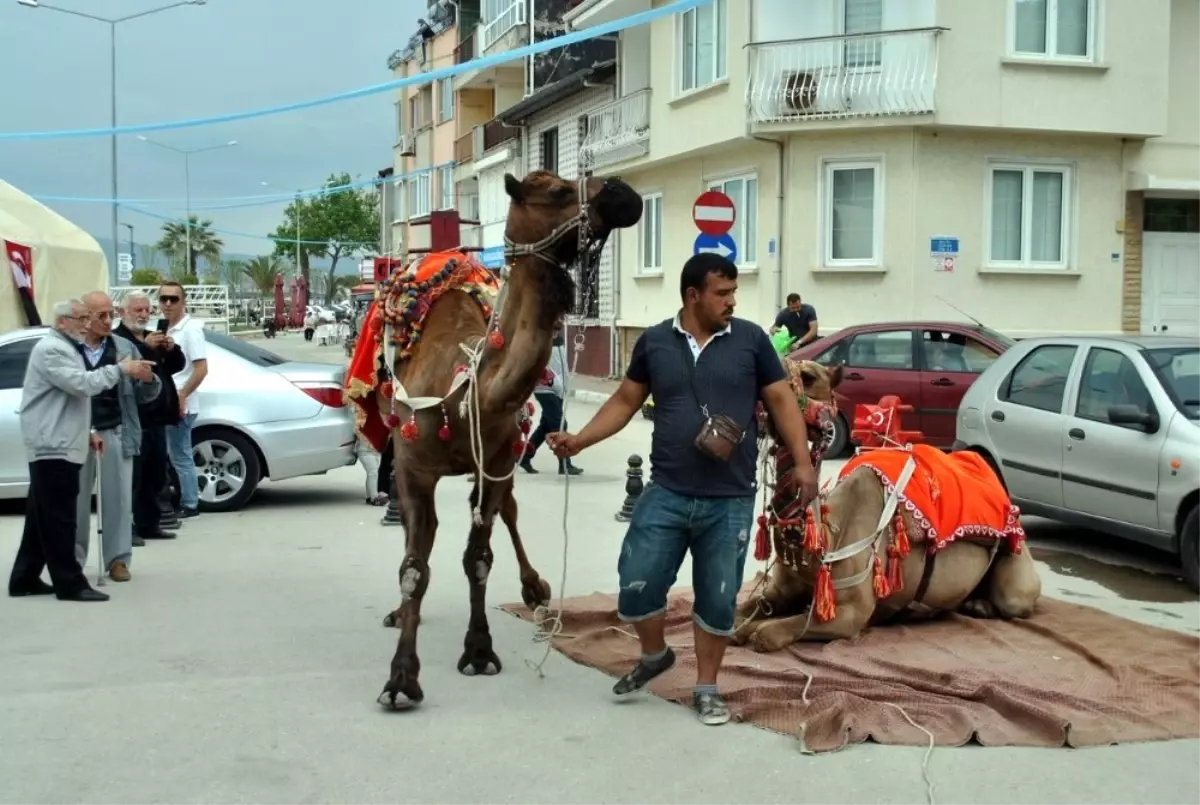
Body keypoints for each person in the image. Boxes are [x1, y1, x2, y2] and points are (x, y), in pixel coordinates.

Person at [546, 253, 819, 726]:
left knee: (718, 596)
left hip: (730, 498)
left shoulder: (752, 340)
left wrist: (803, 463)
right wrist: (579, 440)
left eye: (734, 292)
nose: (732, 301)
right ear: (693, 295)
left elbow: (782, 402)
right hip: (667, 491)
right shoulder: (655, 342)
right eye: (722, 293)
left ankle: (708, 687)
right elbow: (625, 401)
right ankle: (655, 655)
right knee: (636, 584)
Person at [8, 298, 154, 602]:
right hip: (53, 444)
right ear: (62, 322)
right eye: (81, 317)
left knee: (40, 516)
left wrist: (87, 431)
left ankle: (24, 577)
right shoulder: (53, 350)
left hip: (60, 440)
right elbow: (82, 385)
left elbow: (71, 398)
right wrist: (120, 369)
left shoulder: (64, 348)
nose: (87, 323)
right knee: (61, 517)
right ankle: (70, 583)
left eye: (91, 316)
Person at [74, 291, 163, 582]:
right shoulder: (71, 349)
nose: (107, 320)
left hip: (115, 429)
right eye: (100, 315)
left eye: (109, 314)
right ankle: (73, 561)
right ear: (84, 318)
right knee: (75, 501)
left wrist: (149, 381)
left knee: (119, 500)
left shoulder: (123, 346)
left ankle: (118, 560)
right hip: (76, 433)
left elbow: (142, 394)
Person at [114, 291, 185, 541]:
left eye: (146, 310)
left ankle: (150, 523)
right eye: (138, 310)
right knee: (133, 477)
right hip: (134, 420)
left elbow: (174, 367)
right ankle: (128, 528)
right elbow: (129, 373)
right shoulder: (118, 340)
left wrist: (171, 349)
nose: (144, 315)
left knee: (155, 476)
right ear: (123, 313)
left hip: (157, 419)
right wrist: (145, 348)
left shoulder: (150, 338)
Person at [159, 281, 209, 519]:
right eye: (163, 299)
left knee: (180, 454)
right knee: (172, 454)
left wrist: (182, 395)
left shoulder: (190, 330)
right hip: (165, 400)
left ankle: (190, 502)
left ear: (184, 301)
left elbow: (201, 369)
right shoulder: (164, 328)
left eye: (174, 299)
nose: (168, 304)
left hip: (180, 402)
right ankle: (181, 498)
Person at [521, 320, 582, 476]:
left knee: (546, 426)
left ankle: (524, 456)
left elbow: (560, 363)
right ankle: (565, 464)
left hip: (559, 387)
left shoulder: (558, 338)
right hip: (545, 387)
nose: (559, 322)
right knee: (560, 424)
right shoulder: (539, 339)